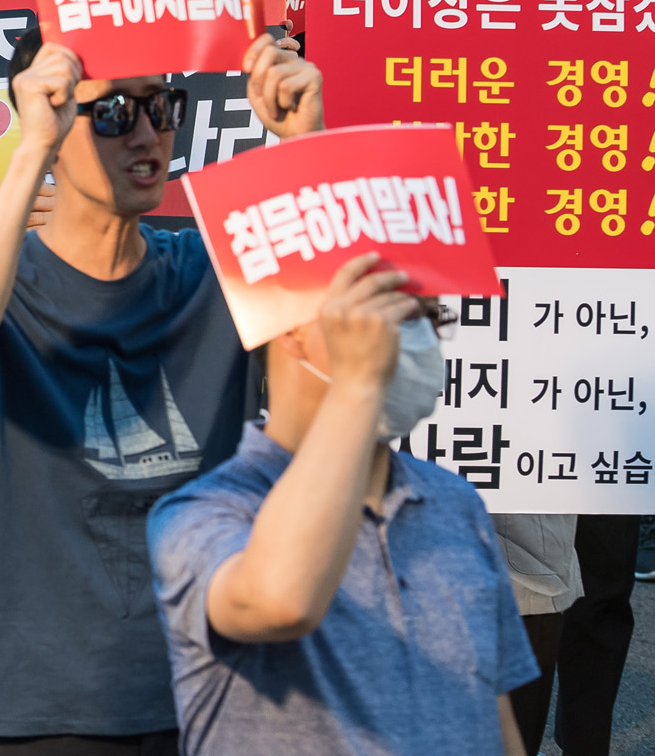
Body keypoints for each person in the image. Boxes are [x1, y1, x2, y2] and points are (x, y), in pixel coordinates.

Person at [0, 30, 325, 749]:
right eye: (112, 114)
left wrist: (303, 145)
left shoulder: (211, 270)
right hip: (40, 707)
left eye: (161, 107)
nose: (147, 134)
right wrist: (29, 151)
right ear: (45, 118)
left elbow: (341, 350)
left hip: (212, 691)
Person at [146, 256, 533, 755]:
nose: (413, 338)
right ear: (292, 332)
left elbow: (493, 714)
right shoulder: (204, 513)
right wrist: (357, 387)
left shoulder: (455, 503)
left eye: (427, 319)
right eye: (379, 314)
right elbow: (280, 601)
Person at [478, 0, 622, 755]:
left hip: (612, 352)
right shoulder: (474, 57)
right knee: (529, 592)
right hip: (516, 355)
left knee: (603, 586)